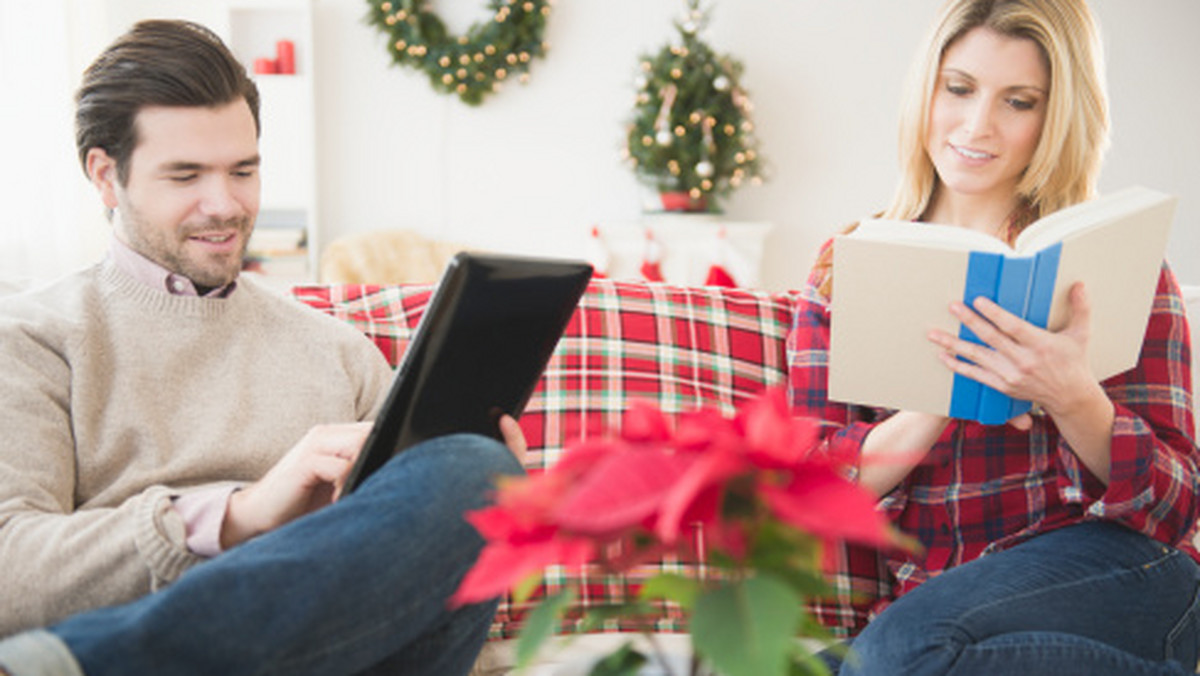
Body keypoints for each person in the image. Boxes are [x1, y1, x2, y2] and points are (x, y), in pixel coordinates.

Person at [0, 19, 526, 676]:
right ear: (106, 176)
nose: (224, 205)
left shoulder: (338, 351)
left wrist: (486, 493)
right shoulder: (30, 336)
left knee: (471, 469)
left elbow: (418, 585)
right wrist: (235, 516)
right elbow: (9, 571)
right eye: (186, 175)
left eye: (243, 170)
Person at [789, 0, 1200, 674]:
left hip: (1123, 574)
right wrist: (943, 391)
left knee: (890, 655)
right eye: (959, 89)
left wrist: (1073, 397)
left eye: (1019, 102)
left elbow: (1178, 506)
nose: (977, 126)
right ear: (927, 90)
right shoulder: (848, 268)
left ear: (1057, 117)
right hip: (941, 603)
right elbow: (810, 493)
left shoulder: (1115, 265)